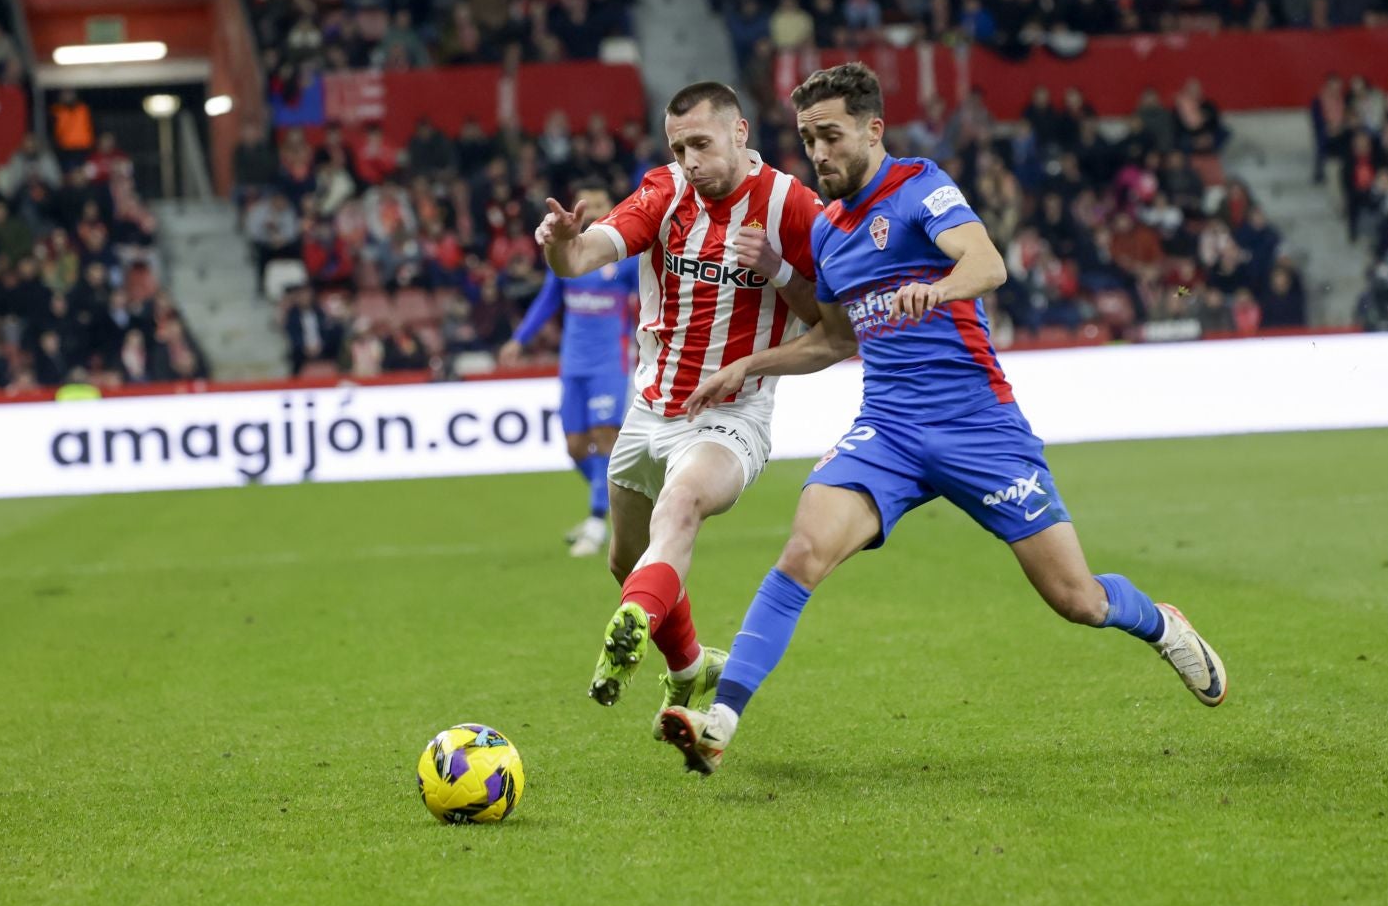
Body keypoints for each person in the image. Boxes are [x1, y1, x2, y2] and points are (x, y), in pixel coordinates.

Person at [660, 63, 1229, 775]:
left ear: (874, 129)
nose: (820, 155)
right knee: (803, 552)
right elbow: (835, 340)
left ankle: (1158, 622)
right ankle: (720, 721)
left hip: (978, 427)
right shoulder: (831, 233)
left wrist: (936, 290)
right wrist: (754, 364)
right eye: (808, 140)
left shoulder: (920, 185)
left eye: (832, 136)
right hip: (887, 433)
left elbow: (988, 265)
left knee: (1076, 599)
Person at [533, 80, 825, 740]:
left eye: (701, 143)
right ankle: (689, 664)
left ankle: (627, 630)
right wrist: (557, 241)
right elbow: (581, 256)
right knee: (626, 558)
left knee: (681, 506)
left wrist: (778, 269)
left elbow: (830, 323)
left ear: (739, 133)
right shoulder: (665, 192)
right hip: (650, 407)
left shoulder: (790, 205)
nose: (691, 160)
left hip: (731, 419)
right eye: (679, 146)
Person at [500, 183, 642, 557]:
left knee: (605, 438)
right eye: (587, 204)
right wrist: (519, 339)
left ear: (611, 207)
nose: (593, 210)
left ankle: (597, 522)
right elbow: (548, 301)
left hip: (609, 361)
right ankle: (613, 500)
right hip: (573, 362)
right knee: (576, 446)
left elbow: (649, 298)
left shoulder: (624, 259)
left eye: (599, 203)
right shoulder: (566, 255)